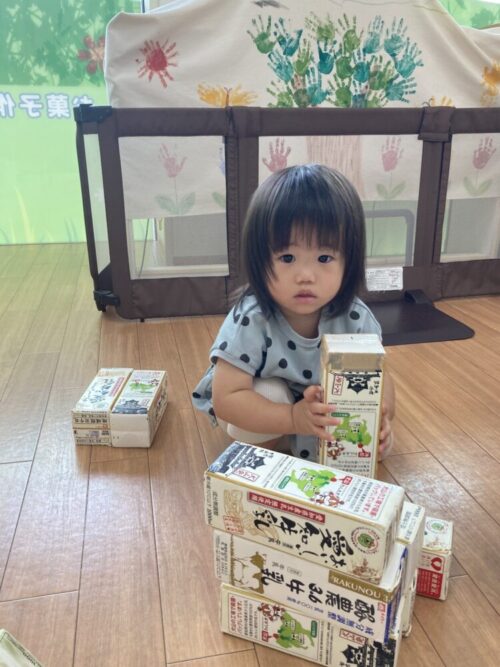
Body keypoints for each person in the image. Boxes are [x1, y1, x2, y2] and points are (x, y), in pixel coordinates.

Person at [192, 163, 395, 460]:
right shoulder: (252, 318)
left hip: (317, 417)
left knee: (366, 426)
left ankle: (307, 439)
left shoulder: (355, 318)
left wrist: (382, 417)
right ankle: (268, 458)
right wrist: (292, 418)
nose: (305, 276)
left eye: (324, 258)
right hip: (257, 412)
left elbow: (381, 379)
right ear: (260, 260)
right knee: (269, 392)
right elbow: (227, 399)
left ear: (349, 261)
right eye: (287, 257)